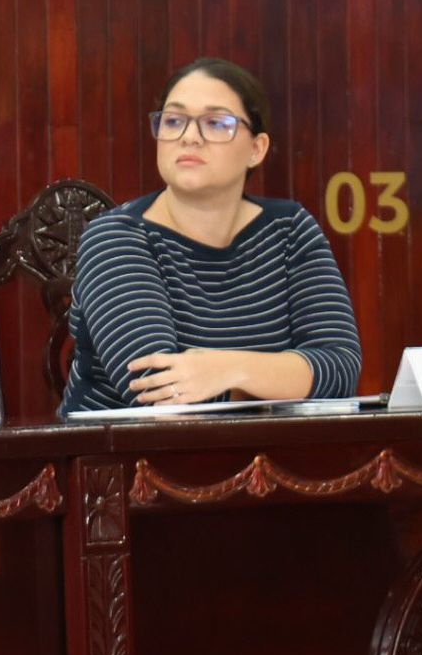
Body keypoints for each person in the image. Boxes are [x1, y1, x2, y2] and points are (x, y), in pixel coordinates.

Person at [61, 58, 361, 413]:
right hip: (130, 459)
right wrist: (284, 379)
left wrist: (224, 369)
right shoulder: (115, 238)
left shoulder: (290, 229)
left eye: (215, 123)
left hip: (270, 456)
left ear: (257, 149)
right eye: (173, 121)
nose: (189, 137)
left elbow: (341, 369)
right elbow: (159, 391)